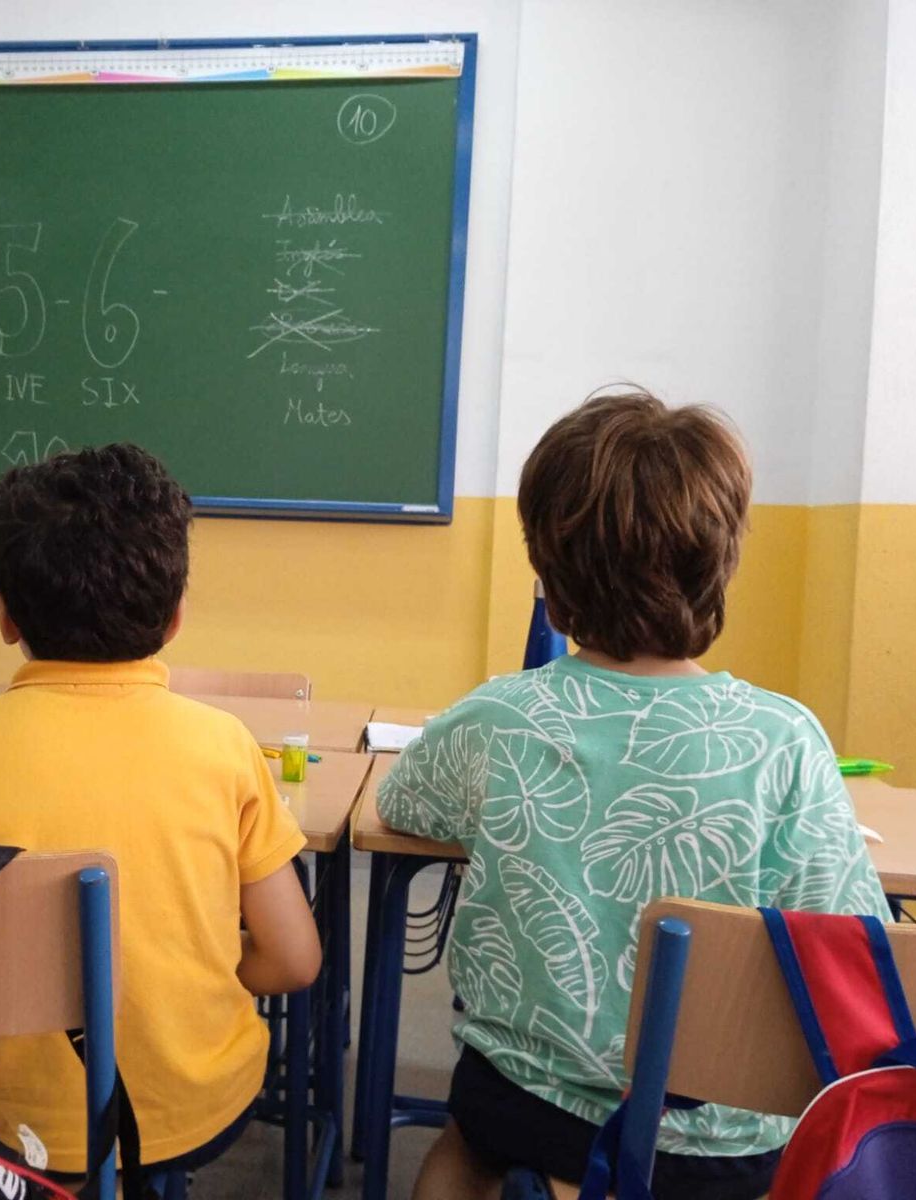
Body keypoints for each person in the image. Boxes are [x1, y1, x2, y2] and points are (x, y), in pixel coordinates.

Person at [378, 391, 885, 1200]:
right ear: (721, 563)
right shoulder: (786, 739)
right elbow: (853, 938)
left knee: (463, 1146)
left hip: (527, 1102)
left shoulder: (503, 714)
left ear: (549, 574)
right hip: (726, 1140)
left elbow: (403, 803)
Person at [0, 442, 321, 1177]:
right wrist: (191, 978)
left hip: (4, 1121)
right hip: (192, 1108)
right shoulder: (226, 748)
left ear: (4, 615)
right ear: (175, 617)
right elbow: (294, 960)